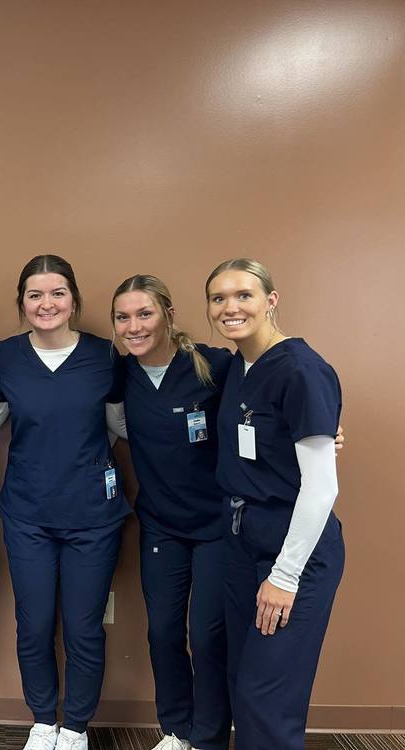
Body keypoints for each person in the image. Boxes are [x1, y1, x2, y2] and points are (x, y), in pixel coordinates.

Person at [0, 254, 129, 750]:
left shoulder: (105, 356)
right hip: (28, 515)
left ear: (74, 300)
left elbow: (122, 427)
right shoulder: (5, 356)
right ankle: (44, 721)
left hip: (93, 515)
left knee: (84, 627)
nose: (47, 304)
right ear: (22, 302)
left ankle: (77, 728)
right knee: (35, 623)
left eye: (57, 293)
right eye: (35, 295)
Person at [205, 259, 343, 750]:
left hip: (293, 552)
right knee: (243, 686)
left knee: (268, 699)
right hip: (243, 540)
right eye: (218, 298)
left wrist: (285, 577)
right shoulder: (237, 367)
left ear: (271, 300)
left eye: (243, 295)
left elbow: (322, 487)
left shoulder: (303, 370)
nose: (230, 307)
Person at [110, 275, 233, 750]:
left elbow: (268, 402)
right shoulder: (120, 373)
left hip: (217, 525)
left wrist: (323, 430)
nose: (134, 326)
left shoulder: (214, 366)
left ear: (168, 315)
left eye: (145, 314)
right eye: (123, 317)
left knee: (206, 637)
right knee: (162, 633)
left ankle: (208, 736)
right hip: (161, 524)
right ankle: (176, 730)